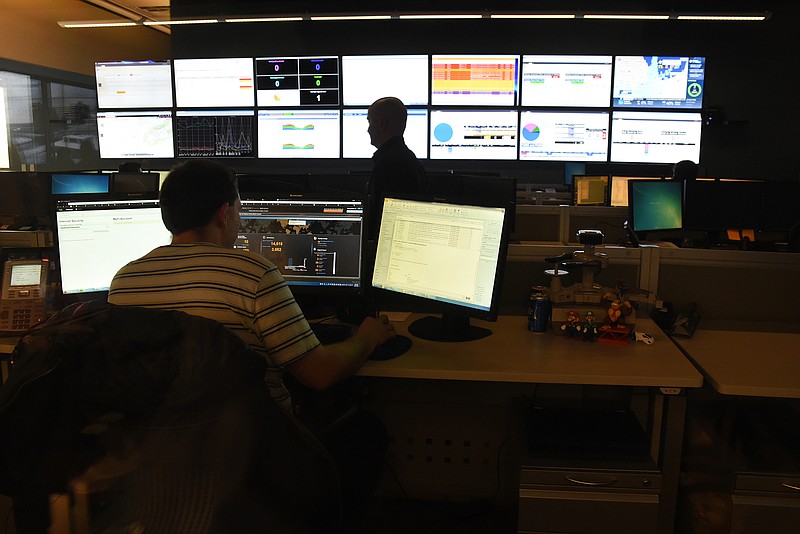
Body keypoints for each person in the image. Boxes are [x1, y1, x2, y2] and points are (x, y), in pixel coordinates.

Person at [108, 159, 395, 529]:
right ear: (225, 214)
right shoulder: (254, 274)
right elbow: (319, 374)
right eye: (240, 210)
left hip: (155, 454)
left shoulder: (124, 281)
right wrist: (366, 338)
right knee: (365, 430)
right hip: (250, 454)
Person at [365, 96, 428, 240]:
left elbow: (380, 226)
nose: (368, 130)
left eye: (370, 122)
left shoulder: (389, 166)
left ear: (382, 124)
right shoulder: (410, 160)